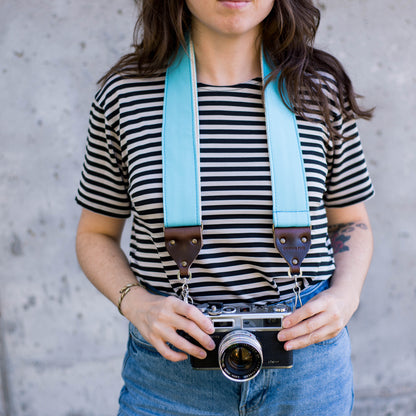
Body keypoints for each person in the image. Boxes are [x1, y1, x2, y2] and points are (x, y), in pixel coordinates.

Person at [75, 1, 374, 415]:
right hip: (172, 375)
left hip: (306, 371)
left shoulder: (319, 87)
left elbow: (351, 222)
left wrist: (345, 297)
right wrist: (136, 303)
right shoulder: (124, 95)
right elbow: (95, 234)